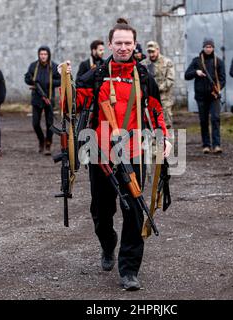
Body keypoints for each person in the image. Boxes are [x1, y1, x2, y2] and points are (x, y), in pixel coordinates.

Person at [70, 18, 171, 291]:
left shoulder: (144, 75)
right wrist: (65, 81)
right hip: (100, 154)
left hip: (133, 153)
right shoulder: (97, 74)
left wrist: (165, 138)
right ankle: (108, 243)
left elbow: (156, 110)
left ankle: (129, 270)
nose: (124, 47)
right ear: (109, 44)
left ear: (134, 44)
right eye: (119, 43)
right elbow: (72, 103)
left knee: (135, 212)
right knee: (101, 213)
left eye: (128, 43)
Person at [185, 38, 226, 154]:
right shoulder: (196, 61)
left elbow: (223, 79)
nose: (208, 49)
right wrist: (196, 72)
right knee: (203, 121)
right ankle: (206, 145)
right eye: (206, 47)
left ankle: (217, 145)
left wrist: (217, 89)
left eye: (210, 47)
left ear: (213, 48)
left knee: (215, 119)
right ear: (203, 48)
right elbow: (186, 75)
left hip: (214, 96)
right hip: (201, 96)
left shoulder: (218, 61)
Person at [24, 46, 61, 156]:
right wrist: (32, 82)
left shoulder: (54, 67)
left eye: (45, 54)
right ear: (38, 55)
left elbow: (60, 80)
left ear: (48, 55)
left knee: (50, 124)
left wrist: (51, 82)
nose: (43, 56)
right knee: (35, 123)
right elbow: (27, 78)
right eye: (41, 54)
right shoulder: (33, 66)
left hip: (49, 99)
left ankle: (48, 144)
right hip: (36, 99)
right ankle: (41, 140)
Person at [142, 41, 175, 129]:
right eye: (149, 52)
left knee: (166, 125)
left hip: (164, 100)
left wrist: (157, 88)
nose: (151, 54)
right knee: (150, 125)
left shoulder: (167, 62)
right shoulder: (144, 64)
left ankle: (168, 142)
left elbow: (170, 80)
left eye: (153, 52)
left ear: (158, 50)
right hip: (149, 100)